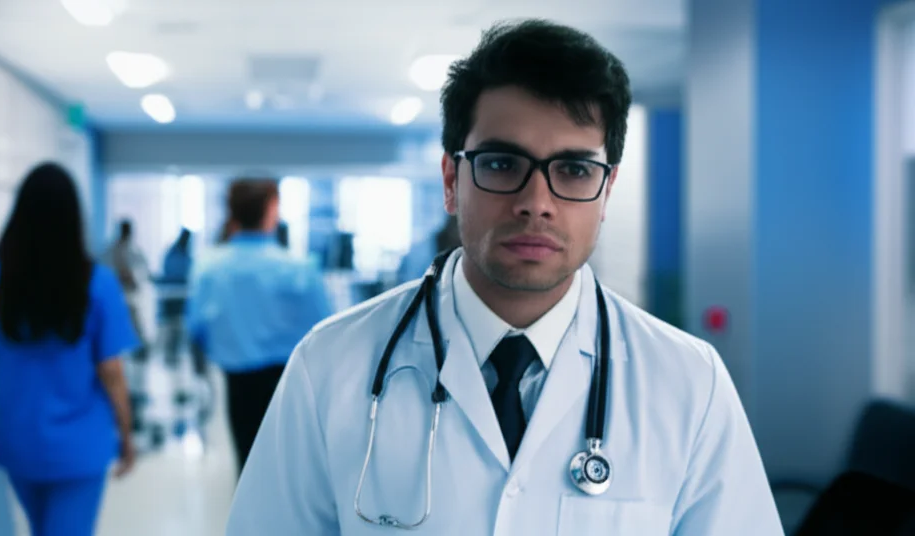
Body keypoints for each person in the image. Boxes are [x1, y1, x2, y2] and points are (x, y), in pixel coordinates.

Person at [225, 19, 783, 535]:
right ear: (451, 179)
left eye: (573, 169)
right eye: (500, 164)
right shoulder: (329, 365)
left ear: (606, 190)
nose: (536, 202)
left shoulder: (689, 382)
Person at [0, 163, 139, 536]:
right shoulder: (97, 284)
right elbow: (112, 374)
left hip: (21, 444)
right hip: (80, 449)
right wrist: (127, 436)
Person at [187, 178, 332, 469]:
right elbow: (330, 331)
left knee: (247, 461)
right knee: (289, 467)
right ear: (271, 210)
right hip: (291, 381)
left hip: (237, 380)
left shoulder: (210, 268)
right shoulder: (299, 269)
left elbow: (196, 328)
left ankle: (248, 514)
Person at [100, 219, 154, 353]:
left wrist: (132, 277)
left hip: (132, 295)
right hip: (115, 295)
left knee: (136, 321)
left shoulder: (135, 251)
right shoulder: (110, 251)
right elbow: (104, 272)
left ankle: (140, 348)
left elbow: (143, 272)